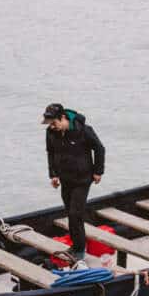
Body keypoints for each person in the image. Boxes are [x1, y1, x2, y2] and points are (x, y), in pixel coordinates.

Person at [43, 103, 105, 261]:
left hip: (83, 179)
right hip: (65, 179)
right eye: (50, 124)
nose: (52, 126)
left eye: (54, 123)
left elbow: (99, 148)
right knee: (70, 213)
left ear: (63, 118)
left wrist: (98, 171)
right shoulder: (51, 133)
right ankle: (75, 246)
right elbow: (51, 153)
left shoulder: (83, 130)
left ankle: (79, 250)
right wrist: (53, 174)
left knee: (75, 213)